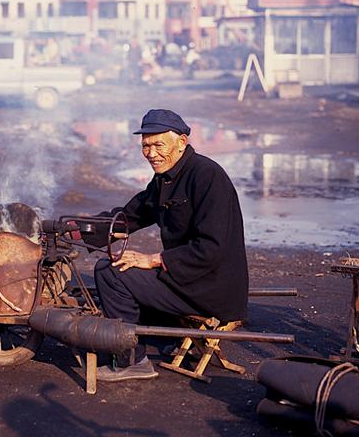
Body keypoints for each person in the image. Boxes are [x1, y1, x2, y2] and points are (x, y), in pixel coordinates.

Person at [84, 109, 249, 382]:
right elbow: (131, 216)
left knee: (109, 272)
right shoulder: (166, 177)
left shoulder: (208, 176)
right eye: (145, 146)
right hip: (185, 279)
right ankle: (165, 339)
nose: (151, 153)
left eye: (159, 145)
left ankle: (132, 361)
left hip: (210, 287)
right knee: (119, 270)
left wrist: (154, 260)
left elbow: (211, 248)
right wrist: (81, 230)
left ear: (182, 142)